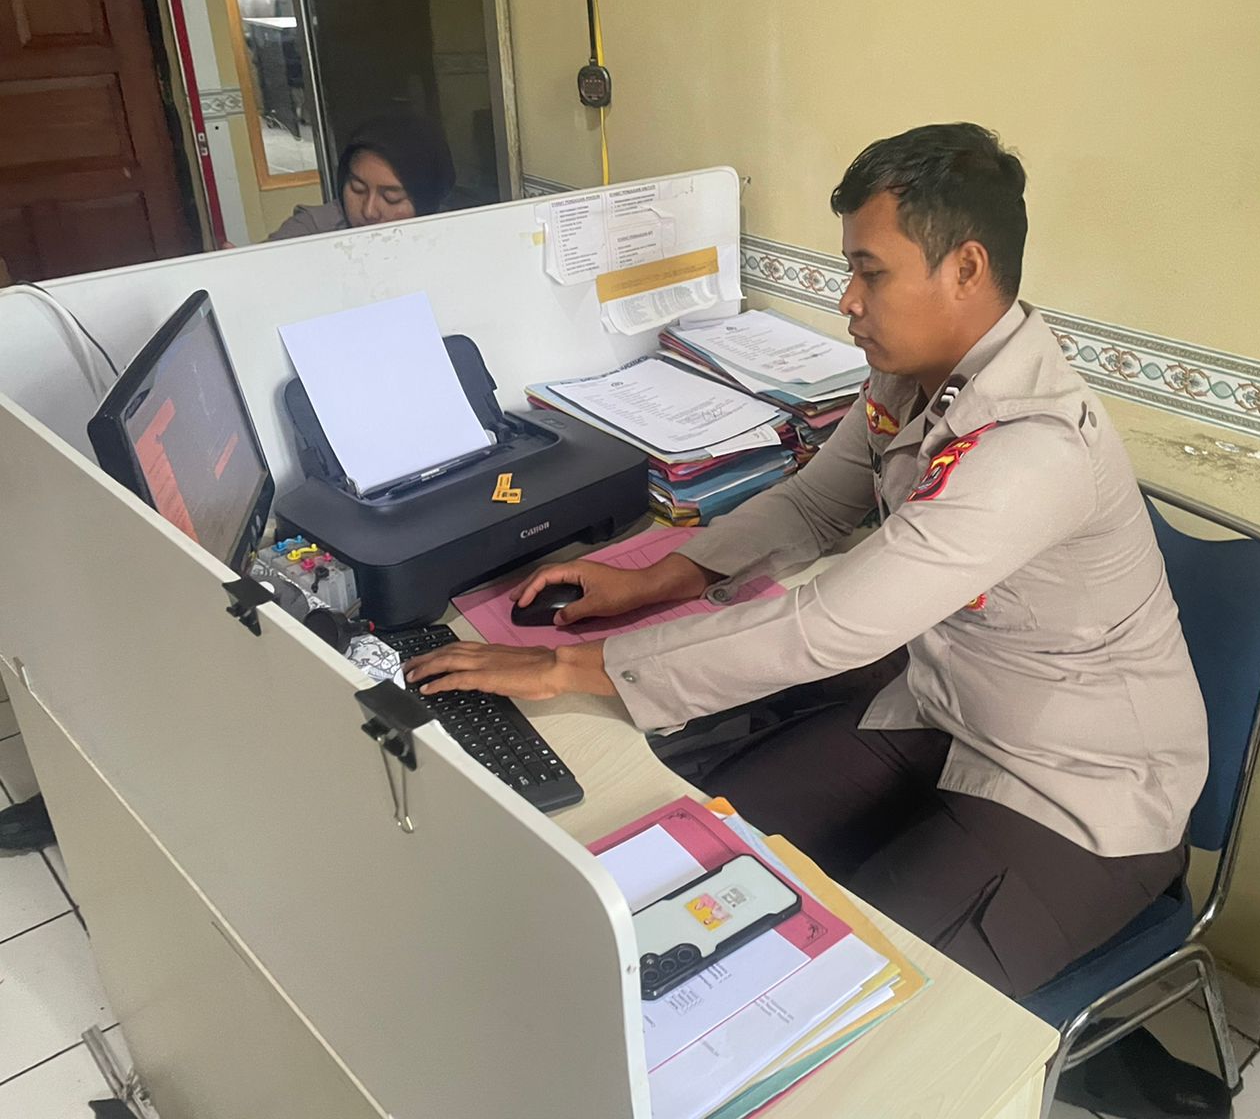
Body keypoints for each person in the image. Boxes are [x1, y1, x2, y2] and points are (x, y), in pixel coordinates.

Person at [404, 123, 1208, 1002]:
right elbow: (815, 502)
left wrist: (568, 668)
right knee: (700, 838)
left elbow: (829, 625)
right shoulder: (913, 381)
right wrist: (653, 581)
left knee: (833, 989)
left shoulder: (1033, 450)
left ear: (966, 269)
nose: (848, 301)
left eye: (871, 272)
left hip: (1076, 789)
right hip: (945, 705)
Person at [267, 111, 455, 241]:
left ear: (426, 202)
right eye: (357, 189)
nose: (369, 211)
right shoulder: (315, 228)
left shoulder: (454, 232)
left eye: (391, 198)